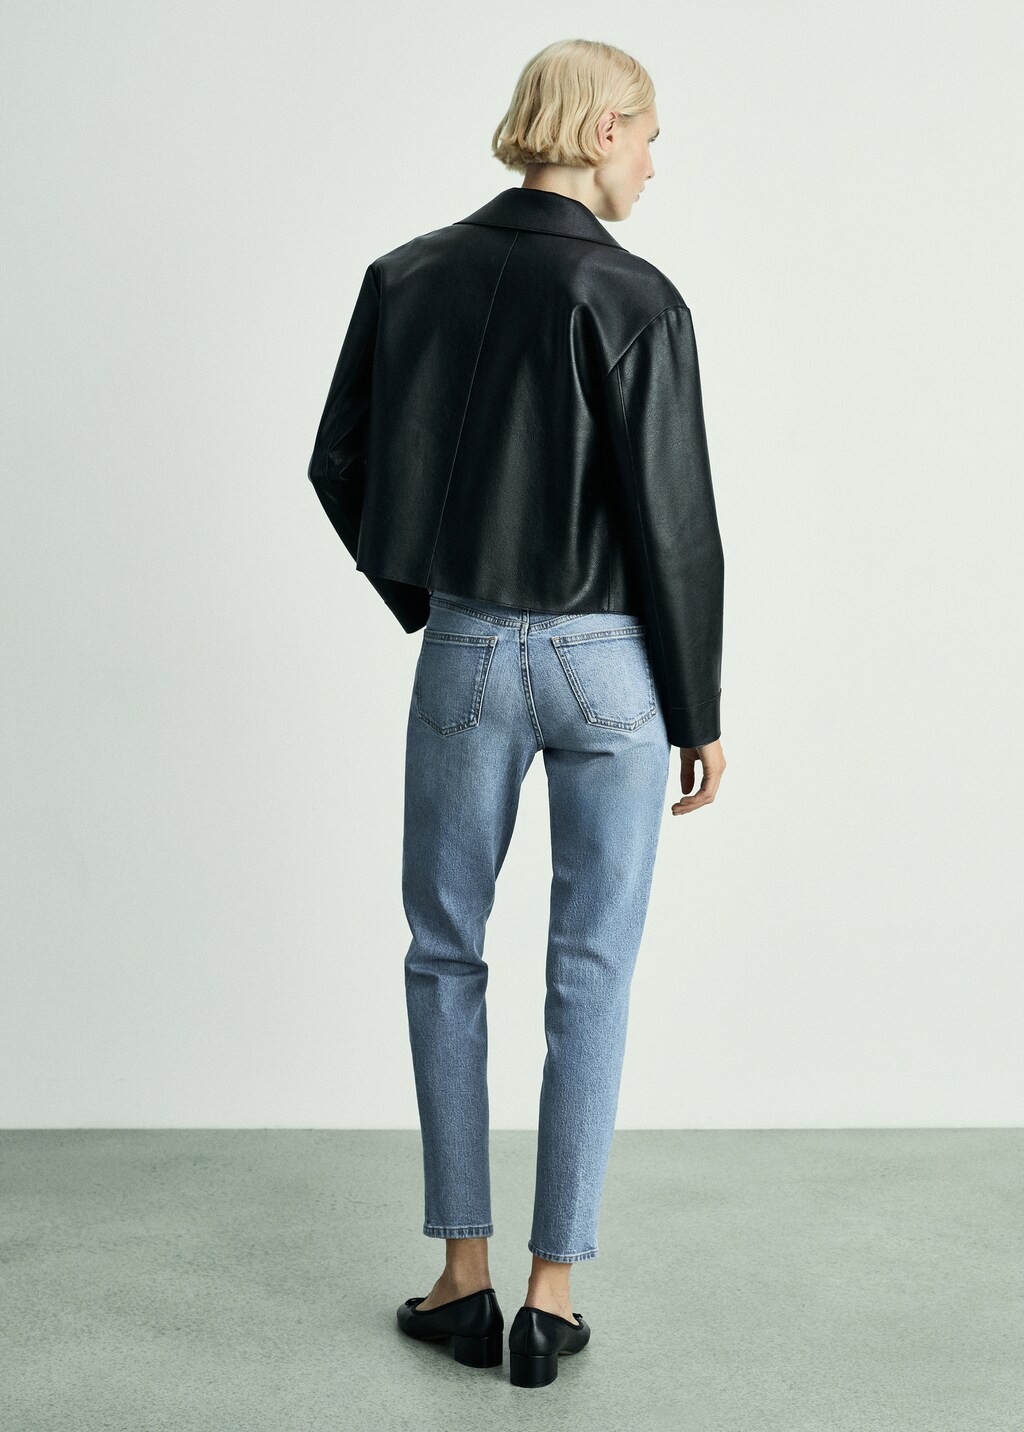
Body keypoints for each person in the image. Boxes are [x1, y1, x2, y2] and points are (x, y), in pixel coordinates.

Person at [306, 37, 727, 1388]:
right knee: (590, 968)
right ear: (602, 131)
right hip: (611, 665)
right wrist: (698, 706)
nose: (653, 165)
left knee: (445, 953)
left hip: (469, 652)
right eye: (648, 137)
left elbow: (336, 460)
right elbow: (675, 522)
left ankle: (460, 1278)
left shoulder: (407, 274)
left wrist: (426, 595)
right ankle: (550, 1300)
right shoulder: (634, 296)